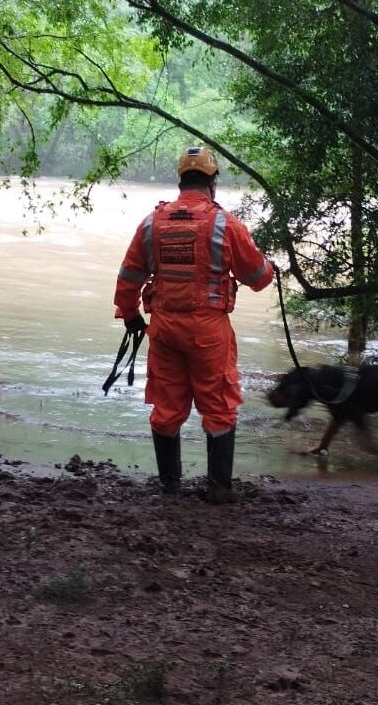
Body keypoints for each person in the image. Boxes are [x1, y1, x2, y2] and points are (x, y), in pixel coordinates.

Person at [113, 146, 277, 503]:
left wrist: (129, 313)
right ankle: (218, 489)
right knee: (218, 405)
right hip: (208, 331)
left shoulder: (151, 224)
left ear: (180, 181)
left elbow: (129, 275)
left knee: (167, 406)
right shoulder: (225, 224)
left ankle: (169, 486)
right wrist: (271, 267)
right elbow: (258, 277)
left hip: (165, 328)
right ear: (213, 182)